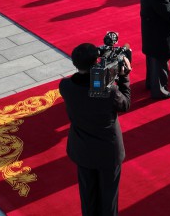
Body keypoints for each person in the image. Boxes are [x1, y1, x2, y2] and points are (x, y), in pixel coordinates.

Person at [60, 42, 132, 216]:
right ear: (96, 62)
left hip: (82, 150)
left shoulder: (65, 86)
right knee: (109, 198)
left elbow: (87, 89)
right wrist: (123, 77)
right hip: (108, 151)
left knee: (88, 196)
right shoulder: (109, 91)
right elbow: (125, 104)